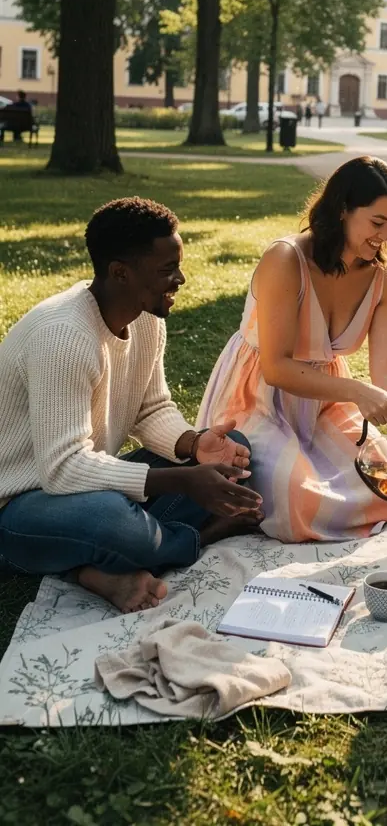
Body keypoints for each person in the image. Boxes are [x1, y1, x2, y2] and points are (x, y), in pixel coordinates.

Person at [196, 156, 387, 541]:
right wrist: (358, 391)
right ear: (343, 209)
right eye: (377, 222)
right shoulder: (286, 259)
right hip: (256, 398)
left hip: (323, 402)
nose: (385, 236)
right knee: (296, 496)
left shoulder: (384, 280)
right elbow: (277, 368)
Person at [0, 198, 263, 614]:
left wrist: (195, 446)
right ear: (120, 272)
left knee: (235, 450)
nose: (180, 278)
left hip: (81, 487)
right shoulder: (63, 338)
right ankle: (196, 538)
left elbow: (150, 407)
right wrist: (184, 482)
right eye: (166, 270)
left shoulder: (145, 318)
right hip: (18, 506)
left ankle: (99, 563)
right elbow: (62, 468)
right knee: (110, 518)